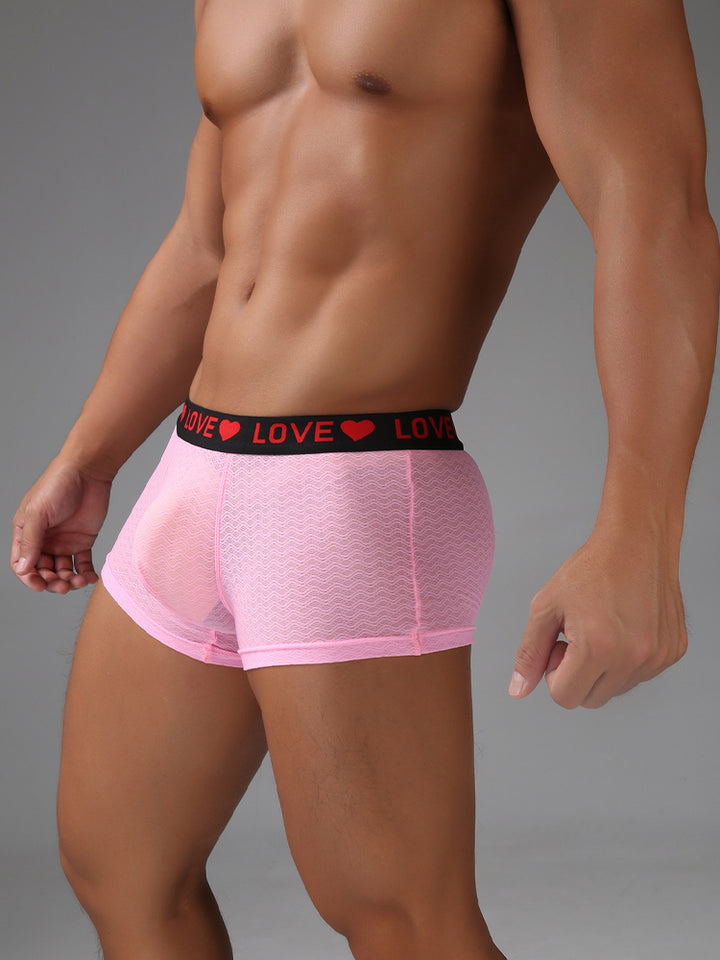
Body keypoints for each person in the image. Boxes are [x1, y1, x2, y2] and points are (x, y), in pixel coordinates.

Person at [9, 0, 719, 957]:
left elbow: (655, 208)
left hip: (354, 488)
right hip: (196, 466)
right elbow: (207, 242)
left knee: (402, 922)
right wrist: (90, 454)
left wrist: (642, 532)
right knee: (118, 870)